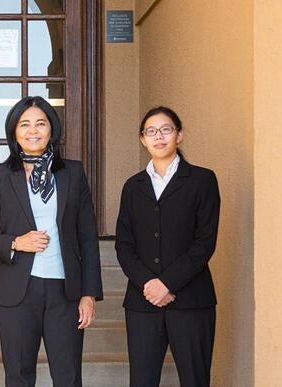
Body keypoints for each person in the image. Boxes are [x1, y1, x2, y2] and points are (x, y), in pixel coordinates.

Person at [0, 96, 103, 387]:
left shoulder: (73, 173)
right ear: (14, 132)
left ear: (51, 130)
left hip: (65, 291)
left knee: (68, 377)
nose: (33, 130)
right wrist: (16, 243)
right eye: (25, 124)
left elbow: (87, 237)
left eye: (40, 123)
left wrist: (89, 293)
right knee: (18, 377)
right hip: (15, 292)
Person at [115, 106, 220, 387]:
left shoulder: (202, 180)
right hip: (142, 302)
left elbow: (204, 243)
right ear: (142, 139)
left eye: (166, 130)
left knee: (195, 379)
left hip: (192, 301)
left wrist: (167, 283)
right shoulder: (132, 186)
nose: (158, 137)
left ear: (179, 135)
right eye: (151, 131)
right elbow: (124, 246)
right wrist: (149, 283)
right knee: (142, 380)